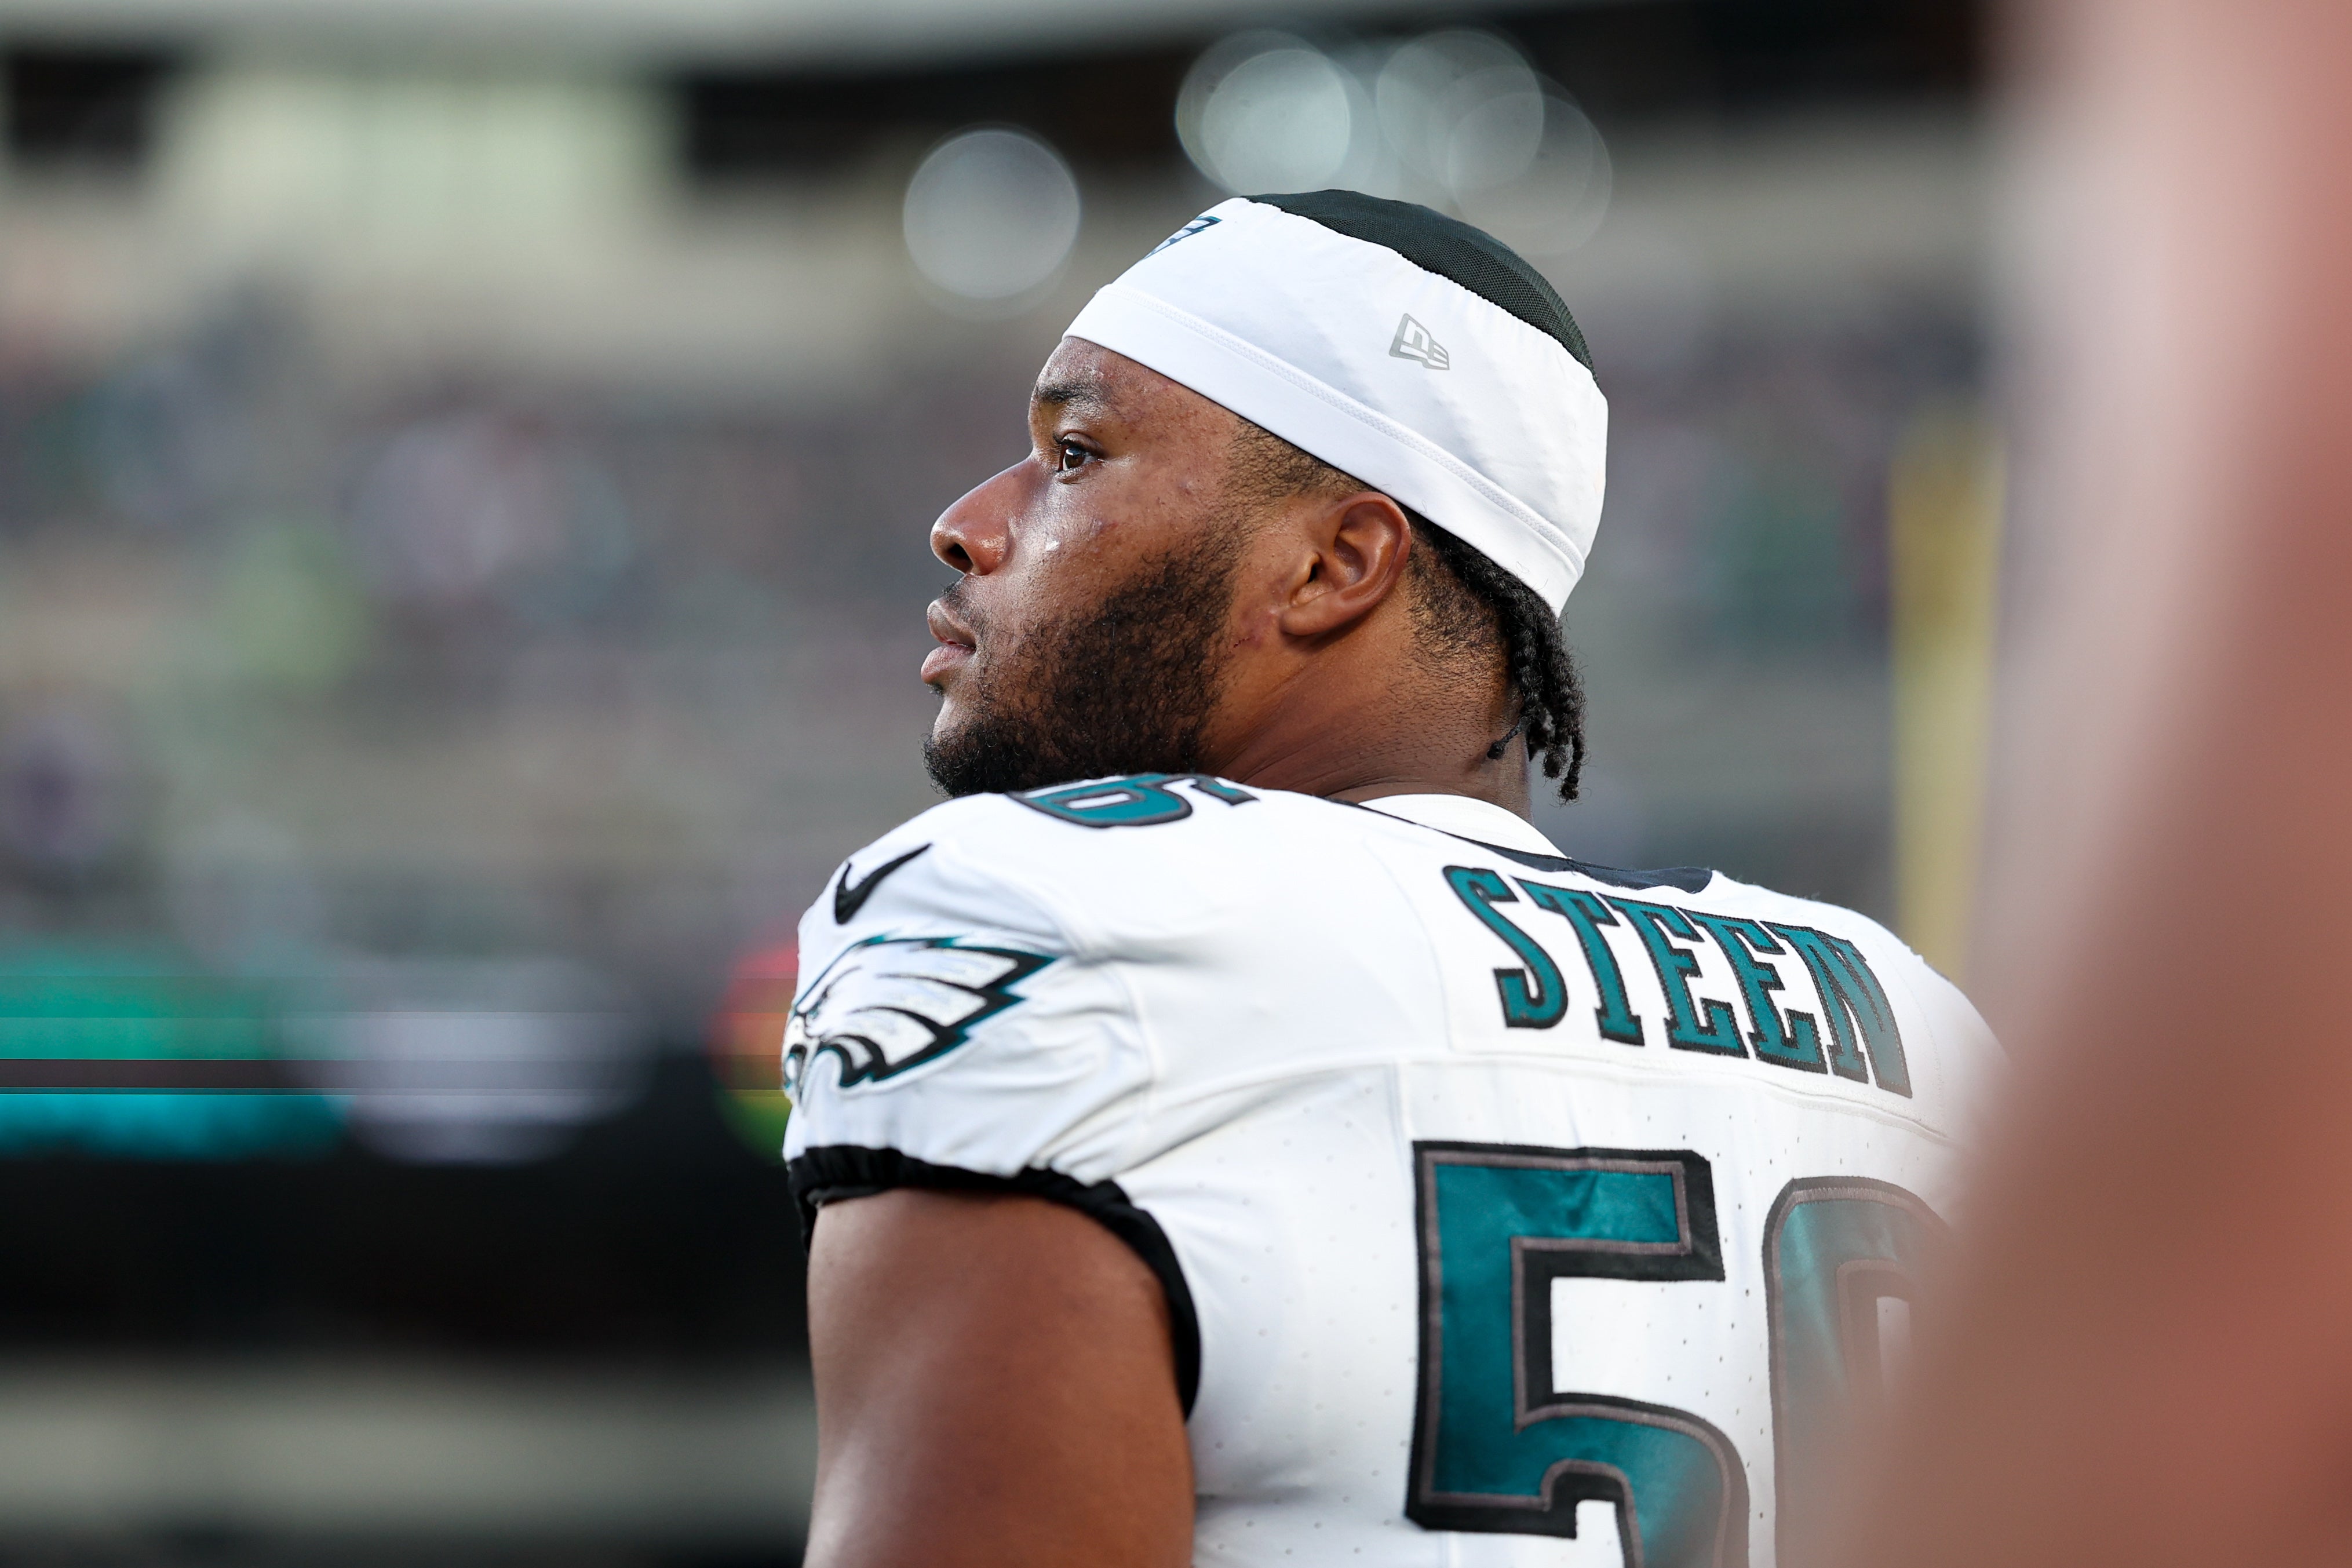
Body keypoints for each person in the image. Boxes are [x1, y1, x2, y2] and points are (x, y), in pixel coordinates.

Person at [781, 191, 1998, 1568]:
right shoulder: (1913, 1028)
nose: (965, 524)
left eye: (1073, 454)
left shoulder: (1043, 906)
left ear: (1334, 564)